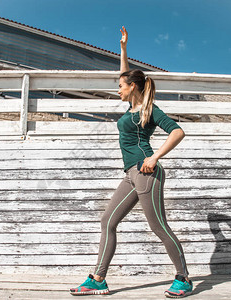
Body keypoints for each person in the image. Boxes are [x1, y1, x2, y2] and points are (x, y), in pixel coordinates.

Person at [70, 26, 193, 298]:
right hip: (130, 174)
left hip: (147, 172)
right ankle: (98, 279)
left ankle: (183, 278)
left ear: (132, 87)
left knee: (158, 226)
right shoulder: (132, 108)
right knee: (108, 221)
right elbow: (125, 75)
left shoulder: (150, 110)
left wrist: (154, 157)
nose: (118, 91)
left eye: (120, 87)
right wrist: (124, 50)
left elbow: (177, 131)